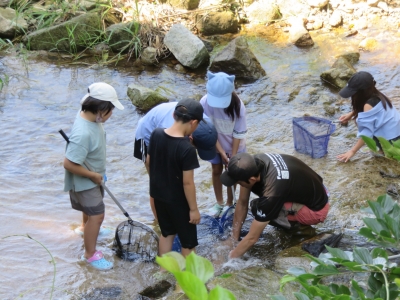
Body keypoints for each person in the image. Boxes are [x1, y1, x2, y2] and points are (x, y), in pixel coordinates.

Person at [219, 153, 330, 259]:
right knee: (260, 208)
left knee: (259, 209)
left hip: (316, 209)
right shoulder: (252, 163)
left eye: (238, 183)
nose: (238, 185)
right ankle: (290, 220)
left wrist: (230, 258)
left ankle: (302, 231)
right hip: (313, 190)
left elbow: (252, 238)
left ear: (251, 179)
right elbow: (242, 203)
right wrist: (234, 238)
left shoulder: (272, 193)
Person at [63, 82, 124, 270]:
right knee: (97, 215)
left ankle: (84, 229)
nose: (111, 115)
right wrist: (93, 175)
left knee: (90, 213)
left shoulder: (89, 116)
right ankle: (90, 255)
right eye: (110, 110)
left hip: (93, 175)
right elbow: (68, 163)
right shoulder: (83, 133)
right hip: (86, 181)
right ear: (100, 110)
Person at [133, 101, 218, 220]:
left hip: (169, 127)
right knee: (157, 182)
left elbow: (210, 135)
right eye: (196, 147)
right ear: (190, 137)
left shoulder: (203, 121)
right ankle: (160, 222)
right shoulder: (172, 131)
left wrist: (222, 152)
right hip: (146, 135)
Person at [145, 99, 203, 256]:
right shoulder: (187, 149)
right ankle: (186, 279)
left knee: (166, 234)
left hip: (159, 196)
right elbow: (188, 183)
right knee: (188, 242)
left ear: (173, 115)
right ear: (194, 122)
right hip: (179, 203)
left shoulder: (156, 133)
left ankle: (163, 272)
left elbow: (149, 162)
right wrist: (193, 209)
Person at [200, 71, 247, 217]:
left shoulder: (238, 106)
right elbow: (208, 130)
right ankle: (219, 203)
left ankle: (230, 203)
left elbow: (238, 134)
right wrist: (221, 152)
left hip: (235, 145)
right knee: (216, 169)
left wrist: (232, 156)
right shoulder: (205, 103)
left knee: (231, 173)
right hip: (214, 143)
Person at [337, 71, 400, 162]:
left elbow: (366, 133)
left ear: (361, 92)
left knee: (361, 122)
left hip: (392, 140)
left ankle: (380, 152)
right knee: (361, 119)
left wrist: (352, 151)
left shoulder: (368, 105)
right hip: (396, 130)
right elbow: (370, 111)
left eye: (353, 92)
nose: (352, 95)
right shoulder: (377, 95)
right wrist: (350, 114)